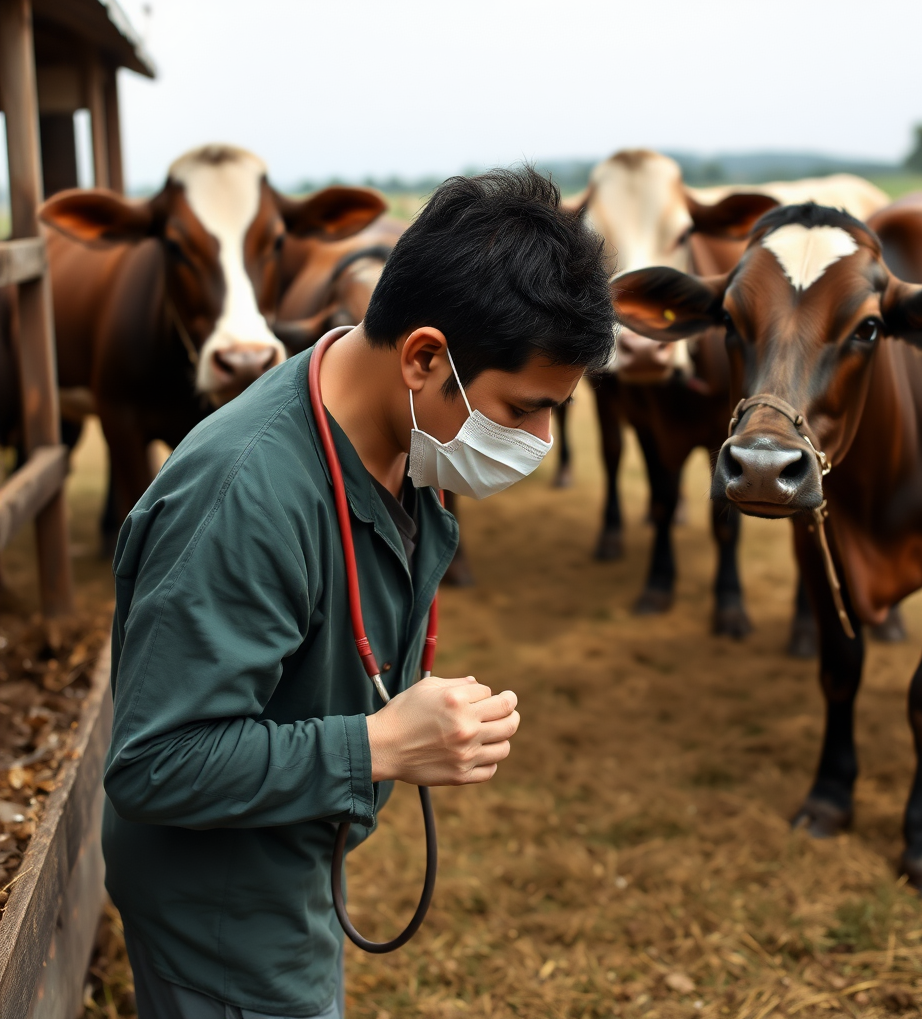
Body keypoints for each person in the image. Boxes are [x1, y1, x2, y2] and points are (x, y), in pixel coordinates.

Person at [102, 167, 616, 1019]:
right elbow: (154, 765)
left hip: (286, 861)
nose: (541, 439)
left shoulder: (392, 426)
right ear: (424, 357)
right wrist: (375, 747)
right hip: (222, 910)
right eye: (523, 409)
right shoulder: (244, 497)